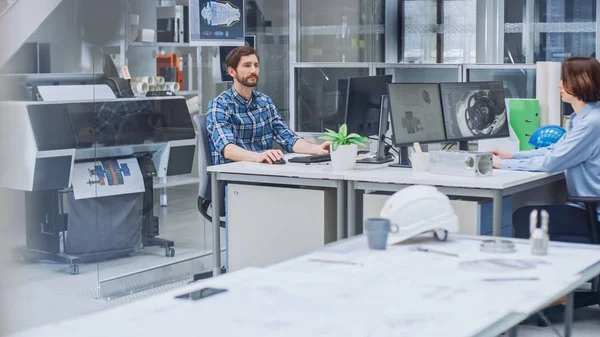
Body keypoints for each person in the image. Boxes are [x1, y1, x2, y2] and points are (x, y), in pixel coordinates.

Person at [490, 57, 600, 243]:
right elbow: (554, 149)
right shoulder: (582, 117)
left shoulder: (591, 123)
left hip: (592, 213)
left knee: (524, 217)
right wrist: (512, 155)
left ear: (579, 82)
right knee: (526, 214)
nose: (559, 85)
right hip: (585, 206)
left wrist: (503, 165)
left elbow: (553, 161)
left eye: (564, 80)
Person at [206, 46, 331, 165]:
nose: (253, 70)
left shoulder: (264, 102)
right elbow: (228, 149)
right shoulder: (220, 105)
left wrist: (318, 149)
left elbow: (288, 138)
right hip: (233, 177)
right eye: (247, 65)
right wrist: (258, 156)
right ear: (231, 71)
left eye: (256, 65)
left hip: (263, 172)